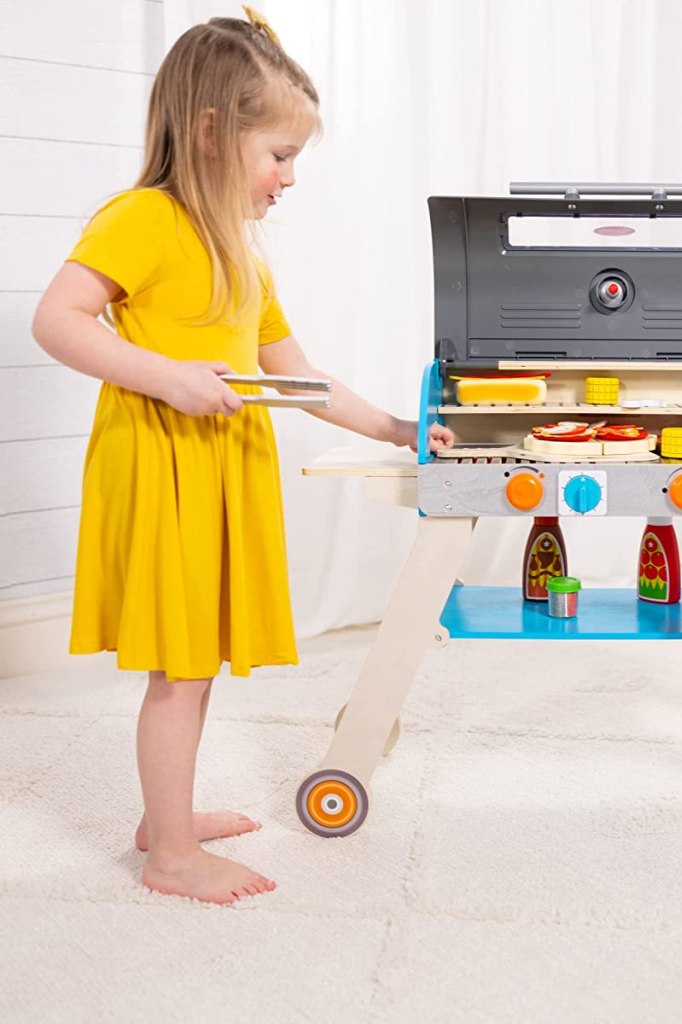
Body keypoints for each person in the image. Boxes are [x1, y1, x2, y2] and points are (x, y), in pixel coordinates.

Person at [31, 8, 453, 906]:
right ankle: (171, 856)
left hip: (220, 471)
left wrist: (398, 430)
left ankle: (164, 820)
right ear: (215, 133)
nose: (289, 178)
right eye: (280, 155)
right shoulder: (144, 218)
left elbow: (300, 380)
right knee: (179, 668)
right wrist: (168, 376)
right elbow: (57, 320)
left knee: (199, 658)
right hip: (163, 467)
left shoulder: (245, 257)